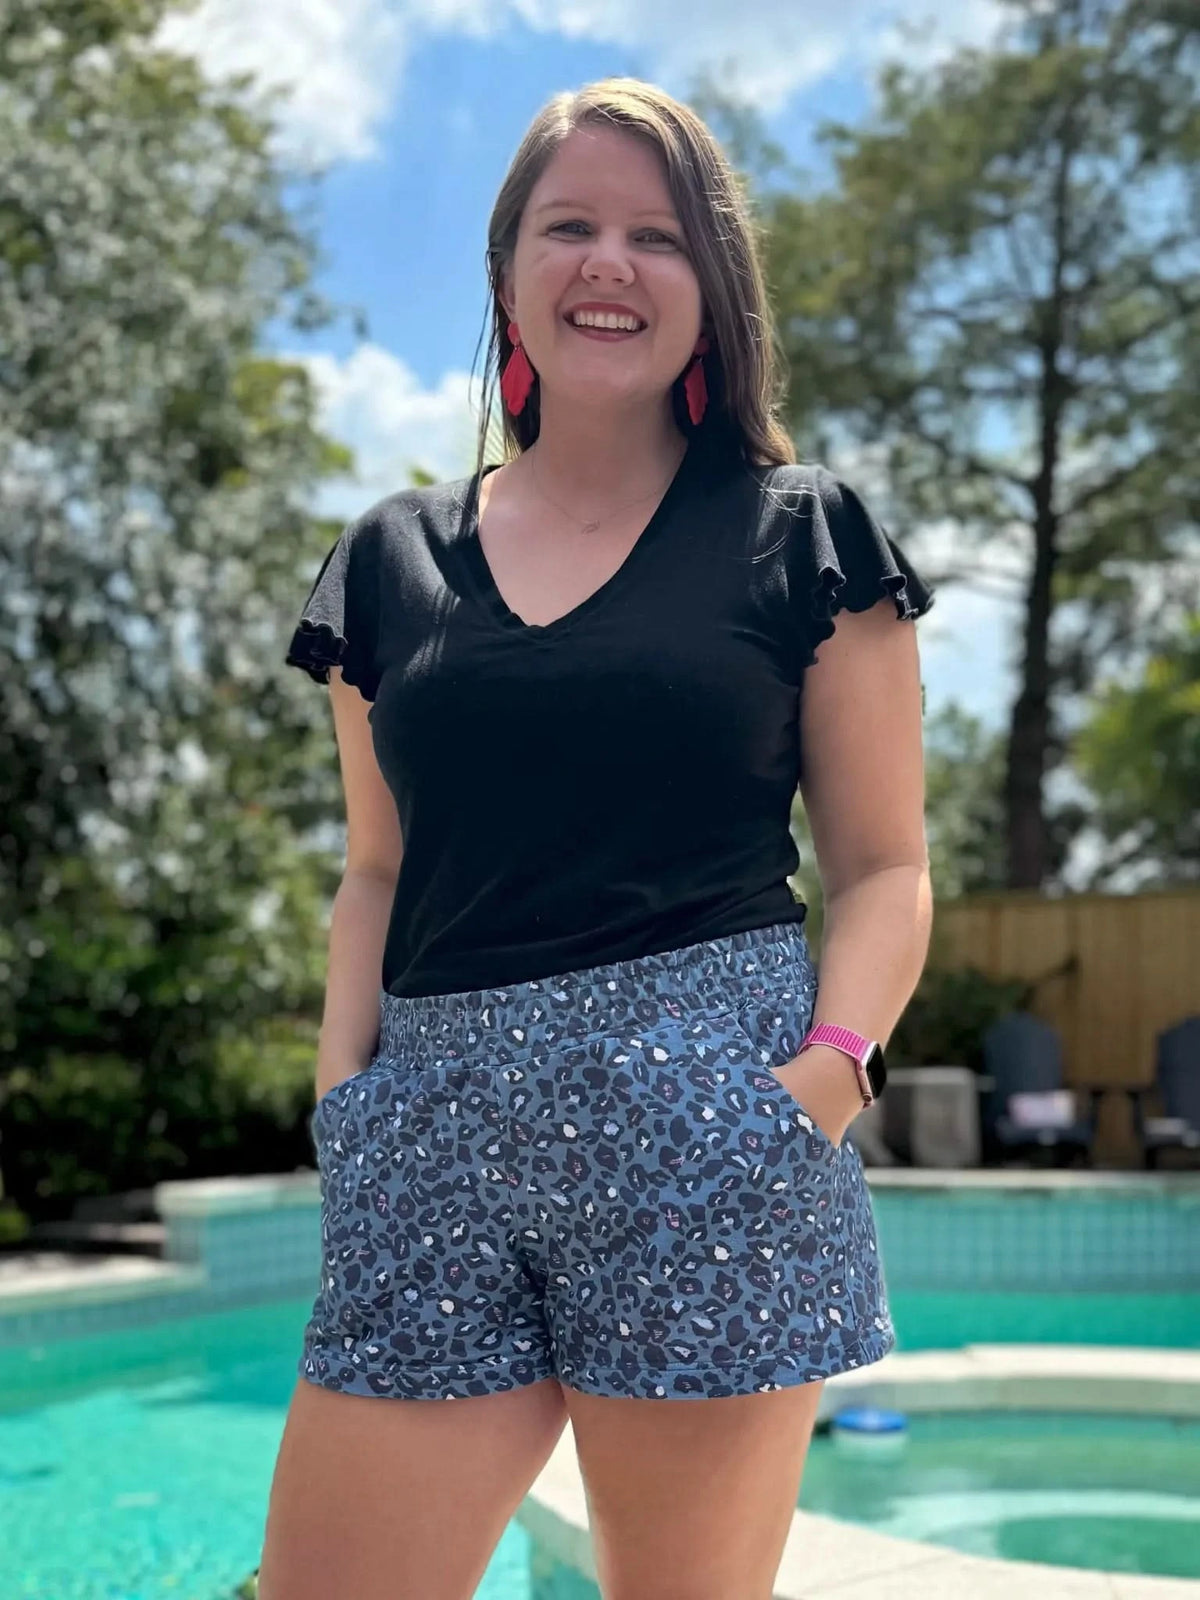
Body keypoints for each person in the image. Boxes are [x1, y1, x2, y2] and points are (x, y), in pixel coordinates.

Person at [258, 75, 934, 1600]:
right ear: (507, 275)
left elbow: (887, 866)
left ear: (716, 285)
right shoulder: (386, 564)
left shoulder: (802, 534)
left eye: (659, 234)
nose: (610, 264)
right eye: (569, 227)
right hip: (426, 1137)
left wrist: (816, 1089)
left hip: (721, 1139)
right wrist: (345, 1108)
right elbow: (375, 871)